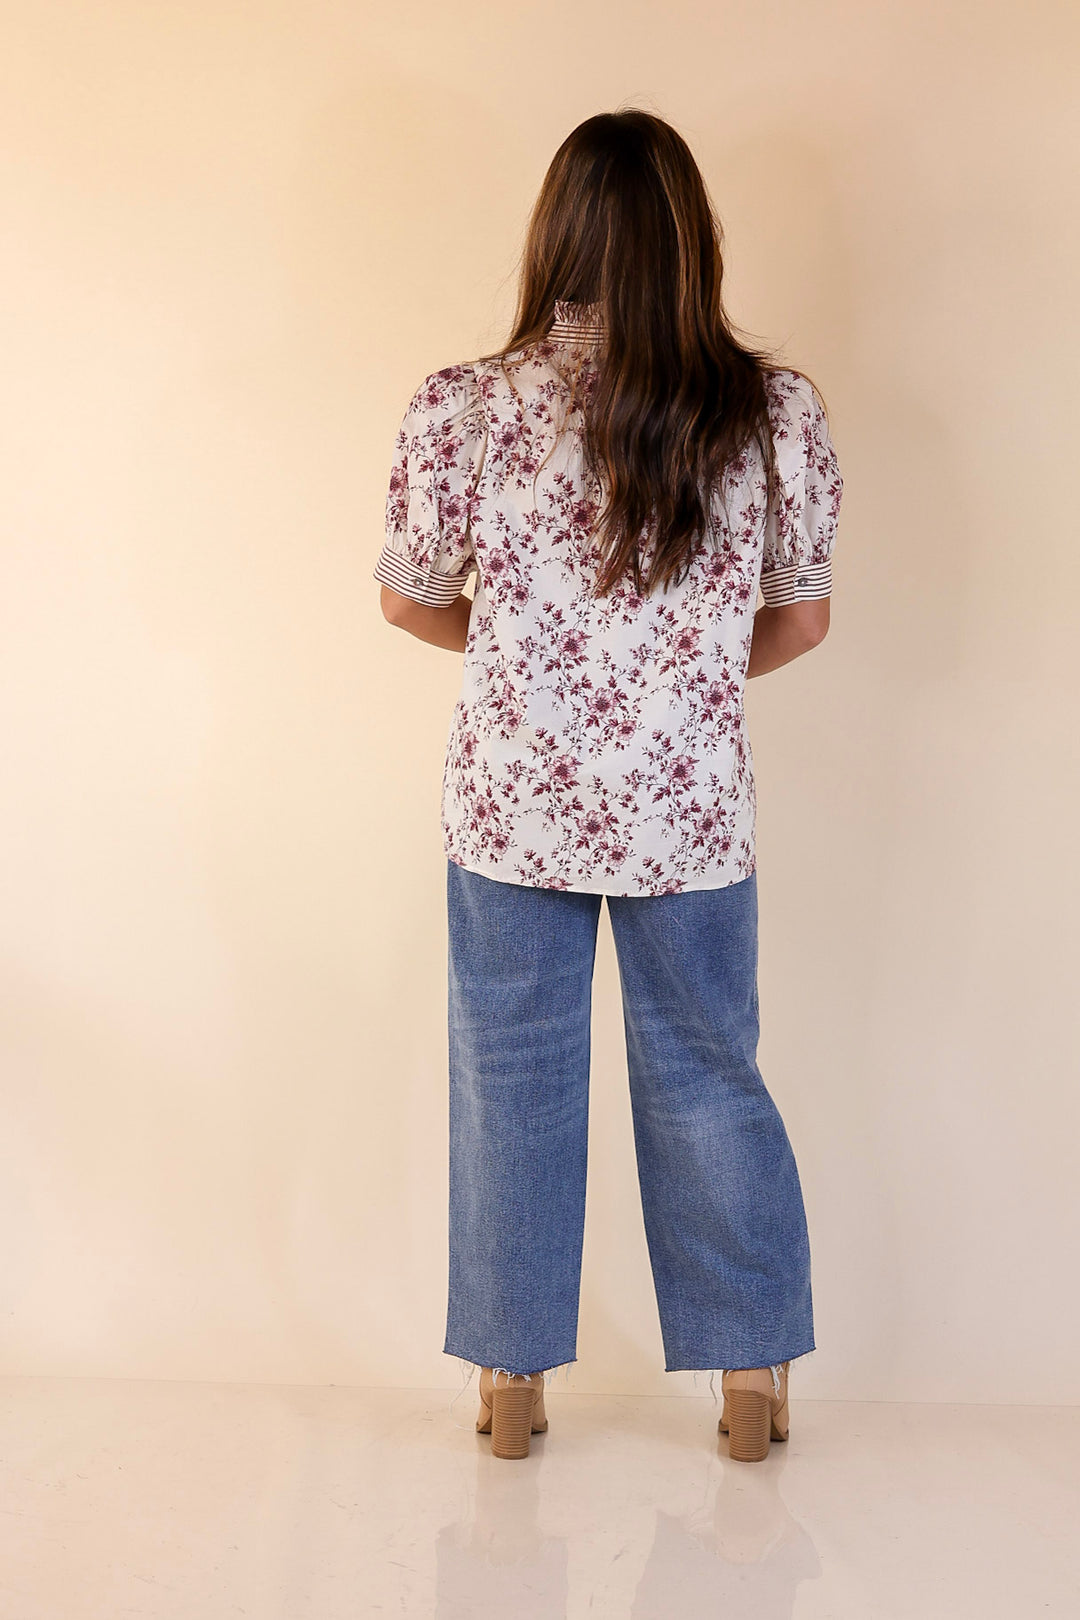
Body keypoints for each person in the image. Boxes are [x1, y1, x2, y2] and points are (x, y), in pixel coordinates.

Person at [374, 109, 843, 1462]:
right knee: (707, 1070)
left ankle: (511, 1381)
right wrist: (675, 680)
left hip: (512, 804)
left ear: (556, 234)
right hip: (689, 813)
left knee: (510, 1073)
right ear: (692, 240)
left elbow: (408, 599)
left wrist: (527, 654)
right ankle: (750, 1377)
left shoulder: (466, 406)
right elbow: (803, 618)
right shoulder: (771, 412)